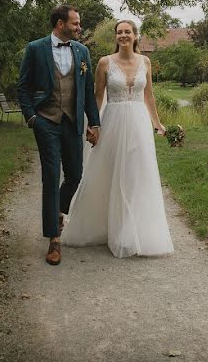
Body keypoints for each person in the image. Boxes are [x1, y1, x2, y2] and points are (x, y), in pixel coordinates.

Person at [62, 19, 174, 258]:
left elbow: (149, 96)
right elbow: (97, 97)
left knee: (136, 175)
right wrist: (94, 125)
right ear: (116, 37)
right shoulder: (105, 62)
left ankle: (130, 232)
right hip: (112, 122)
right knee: (109, 173)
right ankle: (106, 227)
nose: (123, 35)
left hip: (139, 125)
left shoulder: (145, 61)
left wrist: (158, 124)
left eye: (127, 32)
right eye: (119, 32)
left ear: (135, 36)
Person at [17, 5, 101, 266]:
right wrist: (32, 118)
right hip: (47, 122)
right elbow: (23, 87)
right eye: (75, 24)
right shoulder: (35, 49)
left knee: (75, 175)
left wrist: (94, 124)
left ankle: (59, 212)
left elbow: (87, 92)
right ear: (60, 24)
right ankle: (54, 239)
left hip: (72, 122)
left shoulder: (82, 51)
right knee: (52, 177)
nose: (79, 28)